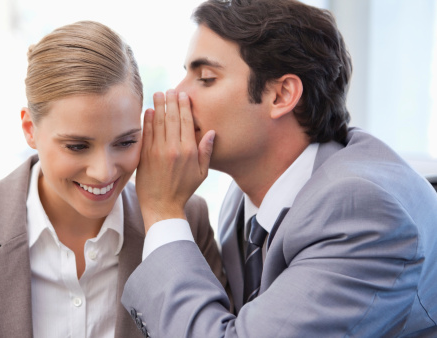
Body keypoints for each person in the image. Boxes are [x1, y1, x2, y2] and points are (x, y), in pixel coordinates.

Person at [121, 0, 437, 336]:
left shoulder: (365, 213)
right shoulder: (245, 196)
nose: (177, 95)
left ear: (282, 95)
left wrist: (162, 209)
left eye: (206, 78)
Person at [0, 20, 225, 337]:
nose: (104, 171)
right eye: (77, 146)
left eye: (125, 142)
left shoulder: (182, 223)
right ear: (30, 129)